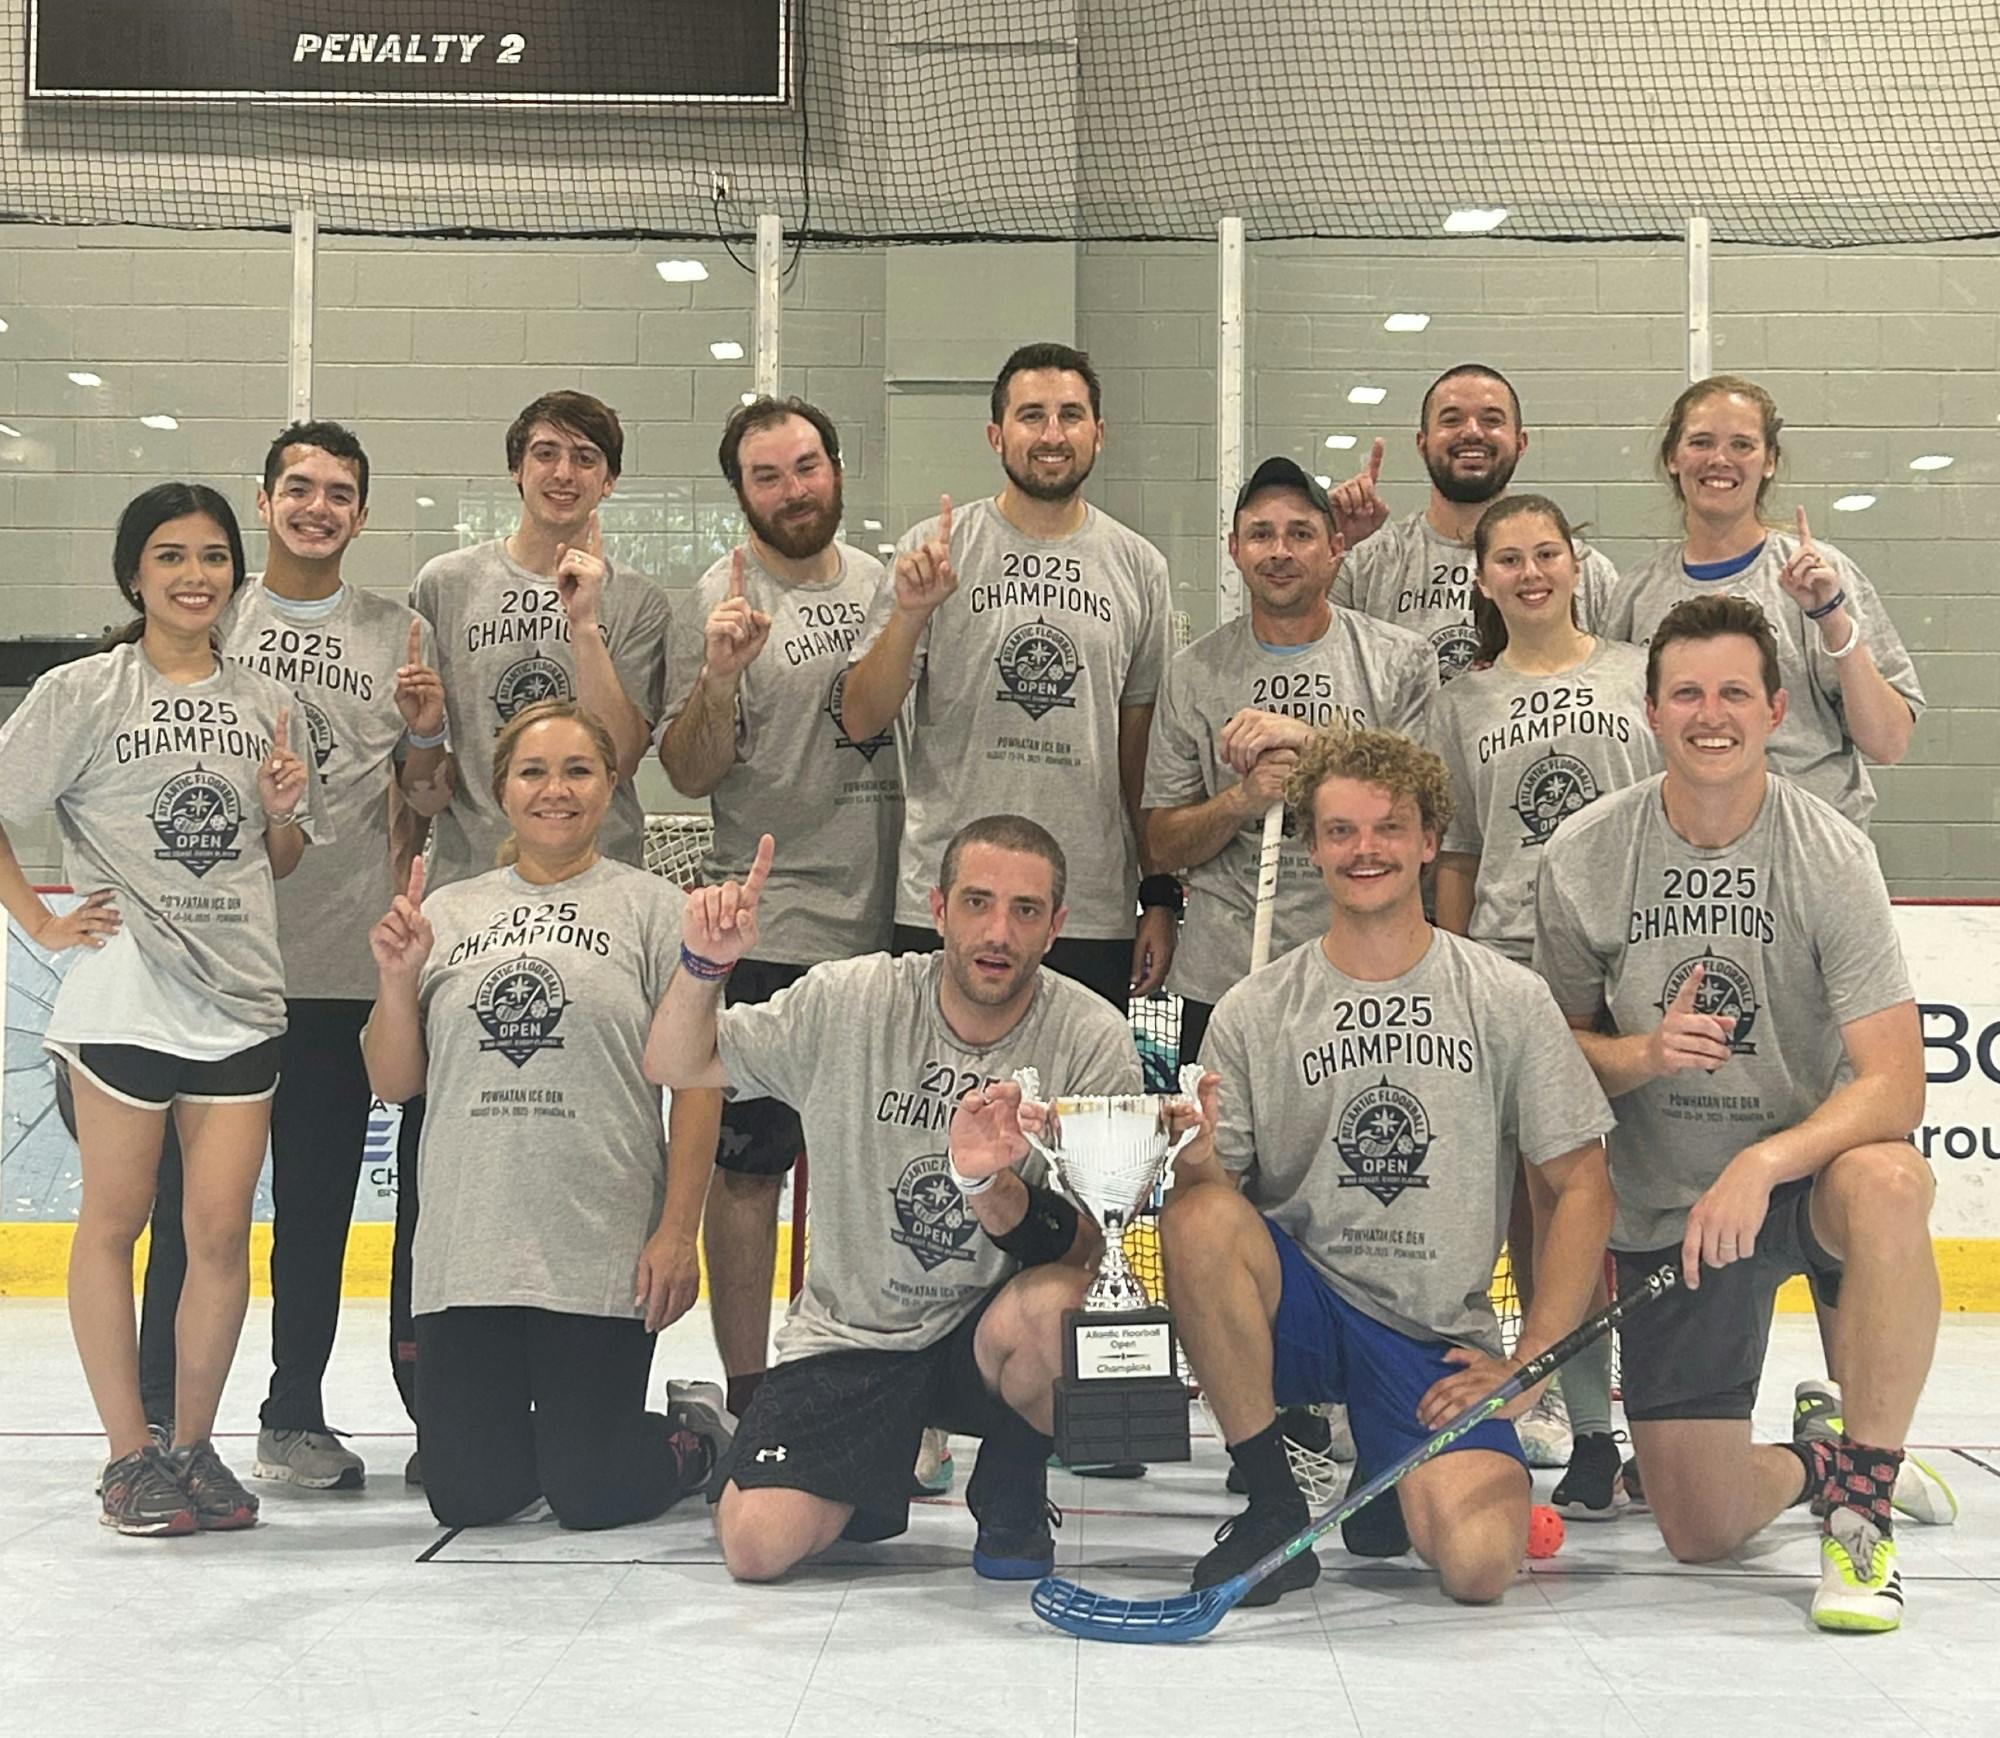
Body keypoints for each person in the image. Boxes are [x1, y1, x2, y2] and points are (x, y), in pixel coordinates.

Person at [1532, 593, 1952, 1633]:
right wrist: (1640, 1052)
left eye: (1731, 691)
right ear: (1648, 712)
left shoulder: (1827, 853)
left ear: (1773, 709)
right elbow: (1551, 1063)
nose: (1707, 712)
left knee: (1891, 1179)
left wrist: (1765, 1162)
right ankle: (1829, 1456)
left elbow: (1894, 1085)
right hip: (1669, 1208)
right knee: (1698, 1524)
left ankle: (1861, 1512)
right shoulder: (1583, 854)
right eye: (1685, 692)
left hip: (1799, 1184)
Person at [1158, 726, 1615, 1606]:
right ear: (1311, 846)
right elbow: (1217, 1215)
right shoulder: (1256, 1010)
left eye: (1388, 828)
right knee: (1196, 1217)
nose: (1364, 850)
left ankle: (1389, 1466)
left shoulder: (1504, 997)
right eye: (1340, 831)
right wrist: (1201, 1162)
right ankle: (1274, 1508)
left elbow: (1582, 1181)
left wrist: (1535, 1362)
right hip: (1309, 1312)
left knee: (1480, 1568)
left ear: (1428, 841)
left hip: (1432, 1339)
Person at [644, 815, 1144, 1581]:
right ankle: (868, 1483)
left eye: (1026, 911)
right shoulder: (851, 999)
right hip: (855, 1336)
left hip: (986, 1341)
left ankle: (1011, 1482)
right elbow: (677, 1059)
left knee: (1058, 1314)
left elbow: (1091, 1251)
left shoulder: (1090, 1036)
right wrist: (704, 968)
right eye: (977, 903)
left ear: (1057, 928)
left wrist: (995, 1189)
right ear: (938, 910)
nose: (998, 932)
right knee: (755, 1546)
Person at [135, 421, 454, 1494]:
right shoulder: (209, 618)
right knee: (192, 1213)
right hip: (210, 973)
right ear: (263, 501)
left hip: (333, 977)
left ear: (361, 514)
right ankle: (150, 1422)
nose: (319, 507)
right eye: (300, 489)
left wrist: (420, 737)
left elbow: (423, 803)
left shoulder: (396, 628)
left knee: (314, 1215)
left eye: (341, 493)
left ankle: (293, 1414)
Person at [0, 483, 315, 1535]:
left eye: (216, 556)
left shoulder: (268, 699)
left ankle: (191, 1445)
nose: (196, 575)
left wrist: (281, 815)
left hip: (239, 994)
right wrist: (42, 929)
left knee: (221, 1232)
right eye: (172, 555)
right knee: (115, 1223)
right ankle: (126, 1457)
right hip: (124, 993)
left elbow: (280, 857)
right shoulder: (81, 691)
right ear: (135, 572)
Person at [362, 699, 727, 1531]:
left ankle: (691, 1437)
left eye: (577, 770)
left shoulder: (654, 910)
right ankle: (558, 1438)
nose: (554, 790)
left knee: (591, 1495)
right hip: (469, 1245)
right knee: (466, 1496)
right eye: (533, 771)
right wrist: (395, 976)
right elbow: (393, 1081)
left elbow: (700, 1081)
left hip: (595, 1241)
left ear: (610, 785)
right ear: (501, 789)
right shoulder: (448, 911)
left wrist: (676, 1232)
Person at [396, 390, 672, 1455]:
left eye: (587, 459)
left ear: (608, 480)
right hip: (469, 909)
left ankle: (593, 1375)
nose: (564, 473)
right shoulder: (446, 585)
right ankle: (444, 1404)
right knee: (449, 1161)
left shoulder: (637, 600)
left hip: (599, 904)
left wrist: (585, 621)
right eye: (546, 454)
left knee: (587, 1142)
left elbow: (624, 744)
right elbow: (418, 763)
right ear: (516, 466)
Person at [658, 395, 902, 1436]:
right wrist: (718, 677)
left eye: (806, 465)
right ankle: (754, 1396)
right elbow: (685, 766)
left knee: (881, 1173)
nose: (793, 488)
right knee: (746, 1174)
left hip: (892, 926)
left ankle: (891, 1391)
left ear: (835, 468)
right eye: (768, 475)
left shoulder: (891, 587)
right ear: (741, 492)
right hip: (771, 927)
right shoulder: (710, 600)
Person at [1426, 493, 1661, 1509]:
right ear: (1480, 578)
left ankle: (1667, 1415)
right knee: (1548, 1203)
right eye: (1507, 558)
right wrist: (1445, 961)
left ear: (1576, 564)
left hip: (1629, 963)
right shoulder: (1460, 698)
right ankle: (1590, 1427)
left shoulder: (1630, 671)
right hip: (1515, 969)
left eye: (1545, 554)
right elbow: (1461, 851)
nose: (1528, 571)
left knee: (1646, 1201)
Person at [841, 342, 1178, 1009]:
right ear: (997, 434)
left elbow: (1142, 751)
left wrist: (1159, 893)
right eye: (1031, 416)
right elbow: (860, 719)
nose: (1051, 435)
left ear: (1099, 434)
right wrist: (910, 616)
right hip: (948, 902)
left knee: (1073, 1112)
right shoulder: (933, 550)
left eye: (1070, 415)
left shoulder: (1140, 567)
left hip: (1085, 908)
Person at [1144, 455, 1435, 1066]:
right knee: (1216, 1158)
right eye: (1261, 534)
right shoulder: (1193, 673)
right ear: (1234, 548)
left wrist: (1313, 745)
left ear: (1334, 549)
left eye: (1300, 534)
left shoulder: (1398, 661)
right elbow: (1163, 844)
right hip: (1223, 979)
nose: (1280, 551)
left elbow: (1424, 811)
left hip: (1361, 968)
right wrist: (1241, 801)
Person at [1592, 375, 1922, 830]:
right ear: (1673, 457)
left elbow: (1889, 743)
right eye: (1701, 442)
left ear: (1769, 461)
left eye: (1742, 445)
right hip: (1678, 855)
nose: (1720, 460)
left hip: (1809, 850)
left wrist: (1831, 620)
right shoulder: (1635, 594)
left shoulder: (1821, 575)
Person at [1329, 365, 1619, 682]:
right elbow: (1299, 644)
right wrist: (1332, 541)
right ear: (1421, 443)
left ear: (1521, 443)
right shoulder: (1366, 563)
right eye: (1451, 420)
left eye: (1491, 420)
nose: (1472, 432)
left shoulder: (1579, 569)